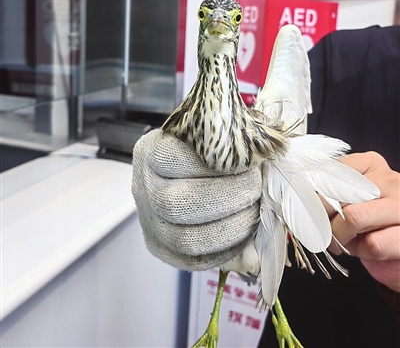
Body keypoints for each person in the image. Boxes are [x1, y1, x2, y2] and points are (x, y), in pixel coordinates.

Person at [132, 25, 400, 347]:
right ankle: (220, 324)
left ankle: (276, 320)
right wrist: (161, 183)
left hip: (351, 326)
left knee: (268, 254)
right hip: (299, 318)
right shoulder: (345, 58)